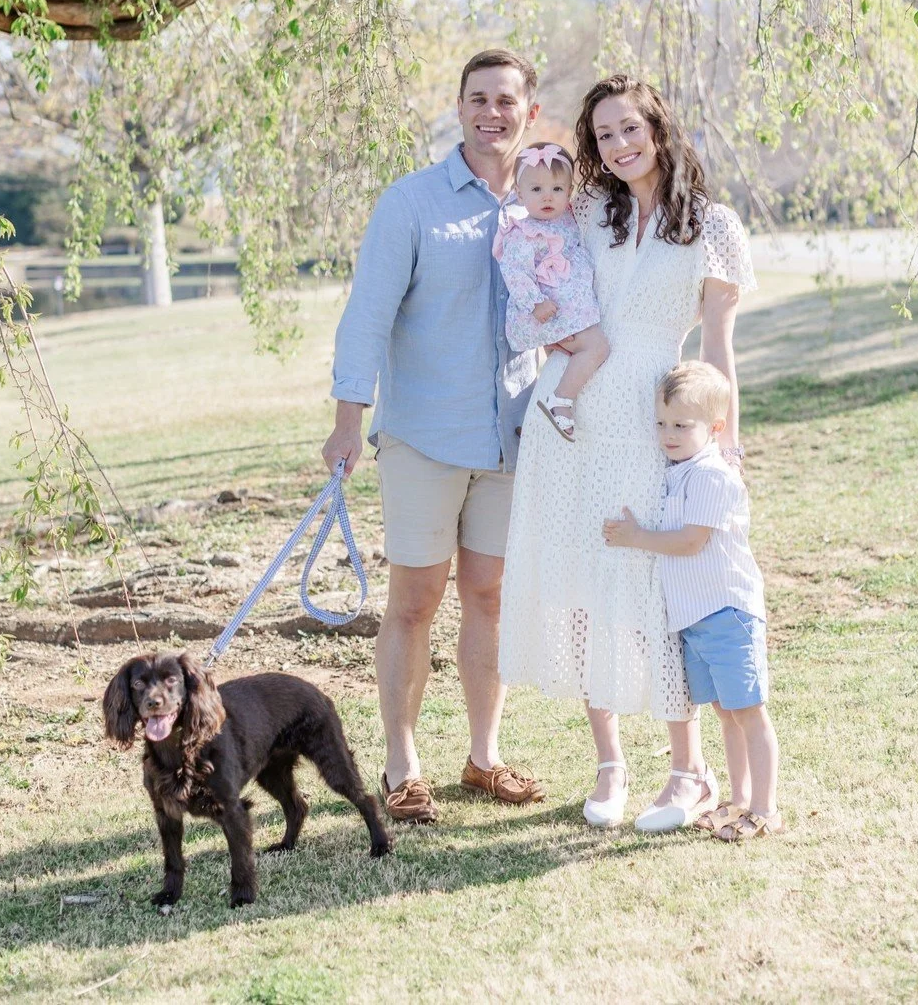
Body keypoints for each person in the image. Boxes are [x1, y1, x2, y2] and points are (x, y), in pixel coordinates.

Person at [498, 73, 756, 831]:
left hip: (656, 421)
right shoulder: (583, 210)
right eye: (603, 135)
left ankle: (690, 771)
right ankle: (610, 763)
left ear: (659, 128)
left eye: (629, 129)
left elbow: (716, 349)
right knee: (582, 585)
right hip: (569, 419)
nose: (618, 145)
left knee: (655, 592)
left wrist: (724, 443)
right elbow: (527, 240)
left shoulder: (711, 227)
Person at [322, 48, 548, 825]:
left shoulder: (547, 206)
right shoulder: (412, 204)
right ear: (458, 109)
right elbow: (367, 316)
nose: (493, 112)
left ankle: (484, 758)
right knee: (415, 601)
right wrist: (348, 418)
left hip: (513, 442)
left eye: (507, 100)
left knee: (489, 595)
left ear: (530, 113)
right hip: (423, 437)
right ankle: (401, 767)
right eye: (478, 98)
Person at [602, 361, 783, 841]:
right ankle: (738, 800)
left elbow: (690, 542)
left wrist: (637, 536)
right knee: (725, 711)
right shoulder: (677, 471)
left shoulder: (711, 476)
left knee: (748, 710)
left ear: (715, 428)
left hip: (726, 612)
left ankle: (764, 809)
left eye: (682, 425)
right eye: (662, 423)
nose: (669, 434)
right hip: (696, 618)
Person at [492, 141, 609, 440]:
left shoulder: (568, 217)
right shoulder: (524, 232)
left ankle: (563, 393)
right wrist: (536, 304)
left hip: (567, 305)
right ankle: (561, 400)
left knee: (591, 346)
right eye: (536, 190)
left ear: (568, 192)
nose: (547, 197)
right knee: (597, 347)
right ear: (520, 193)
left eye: (557, 189)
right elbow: (515, 273)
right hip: (546, 310)